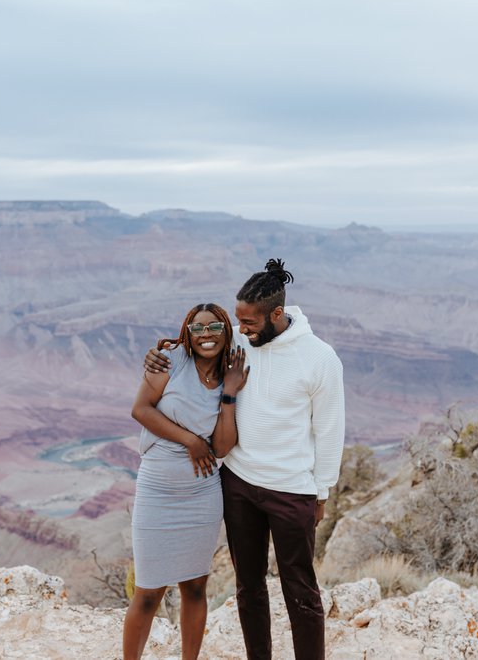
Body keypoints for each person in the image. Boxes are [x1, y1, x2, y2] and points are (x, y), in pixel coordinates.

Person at [145, 259, 345, 660]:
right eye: (238, 321)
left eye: (249, 322)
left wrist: (321, 492)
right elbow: (195, 345)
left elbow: (329, 430)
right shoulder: (237, 340)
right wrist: (156, 355)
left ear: (276, 314)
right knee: (248, 588)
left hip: (292, 490)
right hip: (238, 485)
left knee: (300, 591)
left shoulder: (320, 358)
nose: (241, 328)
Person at [123, 302, 250, 660]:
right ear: (187, 333)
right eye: (198, 328)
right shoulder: (170, 361)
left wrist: (229, 393)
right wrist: (191, 441)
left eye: (215, 327)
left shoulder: (229, 372)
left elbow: (221, 446)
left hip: (202, 494)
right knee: (148, 592)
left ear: (226, 331)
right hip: (158, 490)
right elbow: (140, 409)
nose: (206, 334)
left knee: (195, 587)